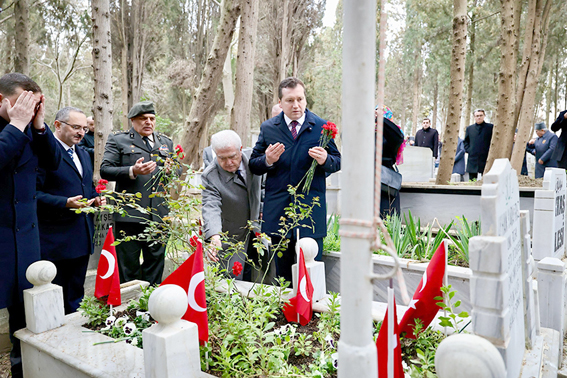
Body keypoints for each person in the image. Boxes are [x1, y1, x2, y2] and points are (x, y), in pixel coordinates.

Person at [249, 77, 341, 282]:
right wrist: (267, 160)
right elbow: (254, 164)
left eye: (300, 99)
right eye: (290, 100)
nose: (296, 105)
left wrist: (326, 159)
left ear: (306, 100)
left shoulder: (320, 127)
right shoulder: (269, 128)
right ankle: (285, 313)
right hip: (278, 212)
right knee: (282, 274)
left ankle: (309, 314)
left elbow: (338, 161)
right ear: (280, 103)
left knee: (310, 274)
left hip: (310, 212)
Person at [0, 72, 61, 378]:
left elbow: (53, 163)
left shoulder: (30, 130)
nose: (27, 109)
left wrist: (38, 125)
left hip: (24, 241)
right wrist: (15, 125)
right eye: (21, 102)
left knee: (23, 318)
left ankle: (23, 371)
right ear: (2, 100)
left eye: (33, 104)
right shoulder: (12, 130)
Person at [36, 107, 105, 314]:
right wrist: (64, 202)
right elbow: (33, 194)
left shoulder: (83, 154)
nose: (81, 133)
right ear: (57, 125)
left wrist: (95, 199)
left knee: (76, 294)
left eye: (84, 128)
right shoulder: (44, 153)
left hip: (81, 237)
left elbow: (86, 188)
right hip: (54, 239)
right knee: (54, 297)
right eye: (76, 127)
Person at [100, 101, 175, 285]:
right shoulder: (119, 140)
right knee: (128, 268)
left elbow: (176, 171)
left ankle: (151, 305)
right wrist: (132, 170)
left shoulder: (165, 142)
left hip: (158, 216)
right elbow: (105, 170)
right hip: (129, 215)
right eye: (143, 119)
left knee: (155, 265)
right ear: (133, 120)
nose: (148, 122)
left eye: (152, 118)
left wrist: (169, 171)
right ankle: (130, 308)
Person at [201, 130, 262, 281]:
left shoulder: (256, 161)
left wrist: (263, 209)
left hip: (261, 230)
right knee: (231, 281)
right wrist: (214, 236)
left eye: (232, 157)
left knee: (264, 278)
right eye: (222, 158)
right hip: (232, 235)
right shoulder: (210, 176)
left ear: (241, 149)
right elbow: (210, 206)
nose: (228, 163)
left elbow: (267, 188)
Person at [377, 105, 404, 217]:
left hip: (385, 180)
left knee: (387, 217)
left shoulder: (392, 134)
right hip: (366, 178)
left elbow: (398, 137)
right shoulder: (367, 132)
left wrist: (381, 121)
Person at [464, 109, 493, 180]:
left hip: (486, 157)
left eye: (481, 115)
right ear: (474, 117)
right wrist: (469, 150)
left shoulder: (490, 127)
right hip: (473, 158)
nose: (479, 117)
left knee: (487, 180)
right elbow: (466, 141)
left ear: (484, 116)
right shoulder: (469, 128)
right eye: (477, 116)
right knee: (472, 180)